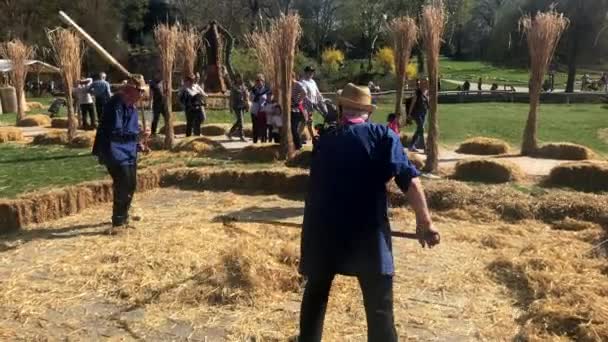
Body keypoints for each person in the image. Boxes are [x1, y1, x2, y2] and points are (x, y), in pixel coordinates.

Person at [298, 83, 440, 342]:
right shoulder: (383, 136)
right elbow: (408, 178)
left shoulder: (326, 139)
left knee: (315, 296)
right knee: (379, 307)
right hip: (366, 234)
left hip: (322, 231)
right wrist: (425, 221)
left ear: (341, 109)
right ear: (368, 112)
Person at [92, 75, 147, 232]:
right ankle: (118, 222)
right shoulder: (115, 105)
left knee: (131, 184)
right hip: (113, 150)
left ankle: (124, 216)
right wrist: (136, 136)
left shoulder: (132, 107)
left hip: (128, 151)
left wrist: (139, 143)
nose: (142, 95)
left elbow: (131, 130)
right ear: (130, 90)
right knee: (123, 184)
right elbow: (115, 133)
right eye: (140, 91)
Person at [301, 66, 325, 144]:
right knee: (307, 121)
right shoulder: (303, 82)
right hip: (305, 105)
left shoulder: (313, 82)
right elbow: (304, 94)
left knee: (307, 121)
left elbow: (317, 92)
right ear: (305, 72)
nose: (311, 73)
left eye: (312, 72)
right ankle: (312, 138)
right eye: (309, 72)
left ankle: (309, 137)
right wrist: (309, 101)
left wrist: (322, 99)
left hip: (312, 105)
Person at [407, 79, 429, 152]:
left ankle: (411, 145)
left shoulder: (427, 92)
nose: (425, 84)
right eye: (424, 82)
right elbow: (413, 103)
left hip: (424, 113)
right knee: (421, 128)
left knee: (419, 129)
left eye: (426, 83)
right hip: (417, 113)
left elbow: (427, 104)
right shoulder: (417, 92)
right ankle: (425, 147)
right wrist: (409, 114)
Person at [250, 74, 271, 143]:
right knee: (255, 128)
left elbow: (269, 100)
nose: (258, 82)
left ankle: (263, 142)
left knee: (263, 128)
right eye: (257, 80)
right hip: (255, 111)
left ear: (263, 81)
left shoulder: (266, 89)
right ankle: (255, 142)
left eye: (260, 80)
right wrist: (256, 95)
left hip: (263, 111)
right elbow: (251, 99)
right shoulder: (253, 90)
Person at [228, 73, 249, 141]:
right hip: (236, 106)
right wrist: (230, 107)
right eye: (238, 77)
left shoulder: (243, 86)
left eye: (240, 77)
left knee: (239, 121)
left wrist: (247, 105)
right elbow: (231, 97)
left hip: (242, 105)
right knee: (241, 121)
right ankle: (242, 136)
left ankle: (230, 132)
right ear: (236, 78)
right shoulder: (233, 87)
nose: (239, 79)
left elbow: (246, 97)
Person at [292, 72, 308, 150]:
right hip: (289, 109)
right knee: (292, 128)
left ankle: (298, 145)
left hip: (296, 109)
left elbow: (304, 92)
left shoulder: (297, 84)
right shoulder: (288, 85)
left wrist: (298, 101)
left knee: (294, 128)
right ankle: (294, 144)